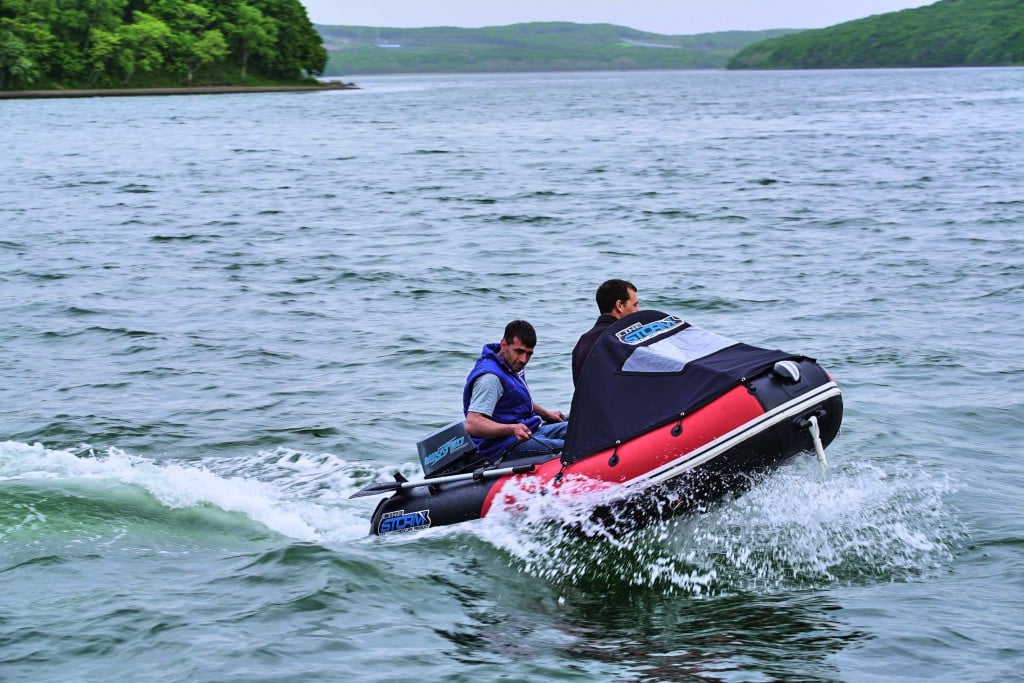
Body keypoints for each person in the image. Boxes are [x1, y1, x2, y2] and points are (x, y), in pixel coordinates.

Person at [463, 320, 567, 462]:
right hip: (505, 447)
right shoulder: (490, 378)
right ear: (504, 344)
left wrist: (546, 414)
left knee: (582, 430)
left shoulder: (509, 365)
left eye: (529, 354)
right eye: (519, 351)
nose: (523, 359)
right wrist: (512, 429)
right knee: (573, 448)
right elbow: (473, 424)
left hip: (530, 431)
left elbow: (516, 400)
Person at [571, 279, 640, 386]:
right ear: (619, 305)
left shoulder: (582, 342)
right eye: (635, 305)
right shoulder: (624, 339)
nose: (638, 310)